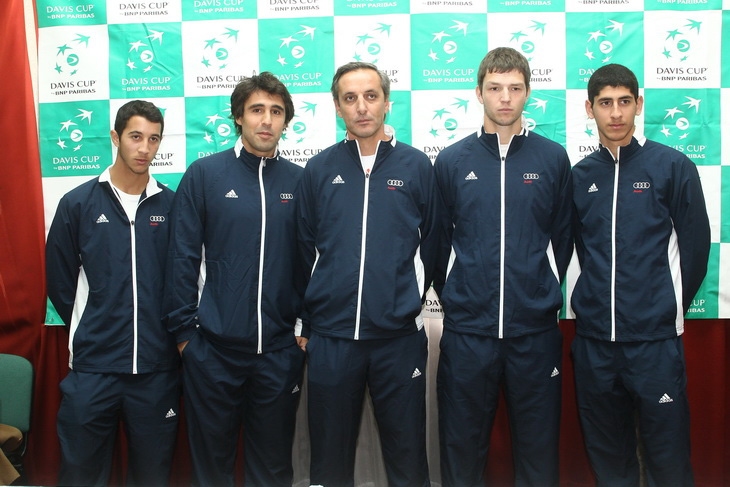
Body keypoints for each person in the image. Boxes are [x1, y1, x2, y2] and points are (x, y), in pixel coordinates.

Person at [432, 46, 573, 487]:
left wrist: (538, 292)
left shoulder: (552, 158)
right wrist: (462, 294)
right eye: (495, 88)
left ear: (528, 92)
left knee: (537, 452)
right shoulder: (452, 160)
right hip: (468, 333)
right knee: (461, 451)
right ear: (479, 93)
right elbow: (436, 243)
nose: (505, 98)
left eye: (514, 88)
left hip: (534, 332)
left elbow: (563, 239)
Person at [298, 61, 442, 487]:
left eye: (370, 96)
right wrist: (309, 320)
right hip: (332, 337)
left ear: (387, 102)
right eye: (350, 98)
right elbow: (303, 250)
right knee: (329, 461)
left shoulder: (416, 166)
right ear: (337, 107)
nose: (361, 107)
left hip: (398, 339)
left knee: (407, 457)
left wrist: (405, 301)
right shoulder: (319, 169)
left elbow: (434, 244)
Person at [163, 72, 306, 487]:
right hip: (212, 352)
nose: (267, 120)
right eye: (257, 110)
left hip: (279, 353)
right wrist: (186, 338)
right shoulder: (205, 174)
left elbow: (312, 261)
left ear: (286, 121)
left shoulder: (300, 181)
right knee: (212, 469)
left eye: (276, 111)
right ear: (238, 117)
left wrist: (303, 330)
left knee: (273, 469)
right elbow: (181, 257)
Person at [571, 63, 710, 487]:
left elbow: (695, 251)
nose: (616, 113)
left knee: (668, 459)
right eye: (605, 103)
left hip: (654, 344)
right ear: (590, 109)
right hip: (595, 344)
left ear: (639, 104)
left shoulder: (672, 166)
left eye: (624, 102)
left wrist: (662, 310)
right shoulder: (580, 176)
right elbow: (579, 251)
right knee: (609, 462)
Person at [46, 100, 178, 486]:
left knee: (152, 475)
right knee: (81, 474)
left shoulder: (172, 205)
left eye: (153, 139)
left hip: (156, 369)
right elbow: (60, 282)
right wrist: (96, 322)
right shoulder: (77, 203)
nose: (144, 148)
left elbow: (182, 281)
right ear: (115, 138)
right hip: (94, 367)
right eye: (136, 137)